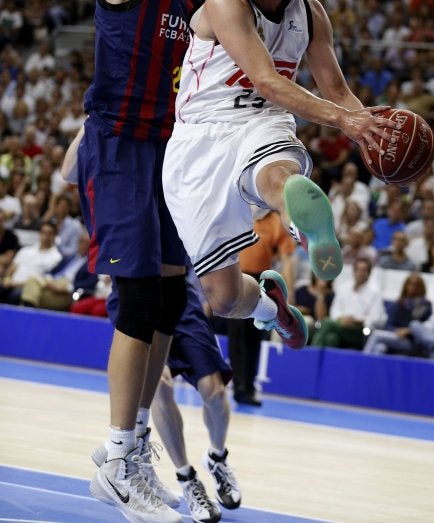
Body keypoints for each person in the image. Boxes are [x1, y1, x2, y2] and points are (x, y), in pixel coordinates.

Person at [162, 0, 399, 352]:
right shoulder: (224, 1)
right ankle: (273, 308)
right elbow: (268, 81)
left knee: (278, 175)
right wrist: (343, 120)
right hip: (200, 137)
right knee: (225, 298)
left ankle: (303, 227)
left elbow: (336, 89)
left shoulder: (310, 14)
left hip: (261, 122)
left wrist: (368, 127)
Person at [73, 0, 209, 522]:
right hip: (121, 149)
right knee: (136, 296)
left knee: (169, 296)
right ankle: (121, 454)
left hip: (170, 156)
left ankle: (128, 450)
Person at [93, 266, 241, 523]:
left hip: (179, 293)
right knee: (159, 384)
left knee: (214, 390)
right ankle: (186, 478)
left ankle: (217, 457)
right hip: (137, 290)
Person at [229, 205, 296, 406]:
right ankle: (238, 386)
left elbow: (287, 260)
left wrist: (289, 292)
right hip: (236, 276)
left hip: (261, 281)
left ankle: (248, 387)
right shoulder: (239, 213)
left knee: (255, 334)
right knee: (237, 334)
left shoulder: (277, 222)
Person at [311, 257, 386, 349]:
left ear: (369, 273)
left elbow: (376, 317)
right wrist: (342, 319)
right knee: (331, 339)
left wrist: (357, 320)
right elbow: (335, 310)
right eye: (358, 270)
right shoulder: (344, 288)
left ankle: (312, 355)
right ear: (354, 271)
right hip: (340, 325)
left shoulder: (375, 293)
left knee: (326, 322)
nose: (360, 273)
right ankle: (328, 362)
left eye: (364, 271)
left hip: (359, 329)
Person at [363, 273, 432, 356]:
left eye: (416, 285)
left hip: (412, 340)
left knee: (376, 335)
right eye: (410, 284)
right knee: (380, 347)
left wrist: (409, 331)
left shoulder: (426, 305)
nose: (413, 287)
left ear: (422, 288)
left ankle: (362, 362)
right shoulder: (398, 304)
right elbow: (388, 325)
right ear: (405, 286)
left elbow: (427, 328)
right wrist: (397, 331)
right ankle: (371, 368)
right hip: (395, 336)